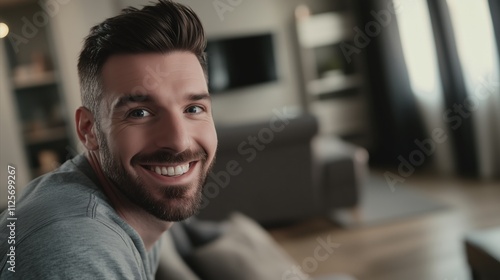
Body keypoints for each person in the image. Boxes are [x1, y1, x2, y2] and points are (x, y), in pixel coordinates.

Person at [0, 1, 217, 279]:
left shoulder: (137, 204)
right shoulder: (78, 249)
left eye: (193, 109)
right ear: (89, 130)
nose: (179, 141)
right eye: (139, 113)